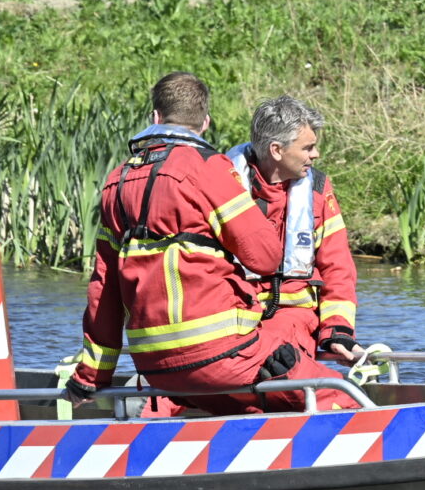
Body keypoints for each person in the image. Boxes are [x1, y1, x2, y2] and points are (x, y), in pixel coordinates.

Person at [69, 71, 339, 416]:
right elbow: (266, 258)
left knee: (241, 408)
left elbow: (104, 290)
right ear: (205, 122)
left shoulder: (115, 182)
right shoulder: (209, 169)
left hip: (153, 364)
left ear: (155, 117)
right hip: (222, 354)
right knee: (333, 395)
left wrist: (90, 377)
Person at [225, 96, 360, 364]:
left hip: (294, 320)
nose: (316, 155)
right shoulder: (220, 186)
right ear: (276, 150)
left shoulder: (317, 190)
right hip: (232, 320)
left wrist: (338, 332)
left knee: (273, 357)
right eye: (308, 148)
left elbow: (338, 268)